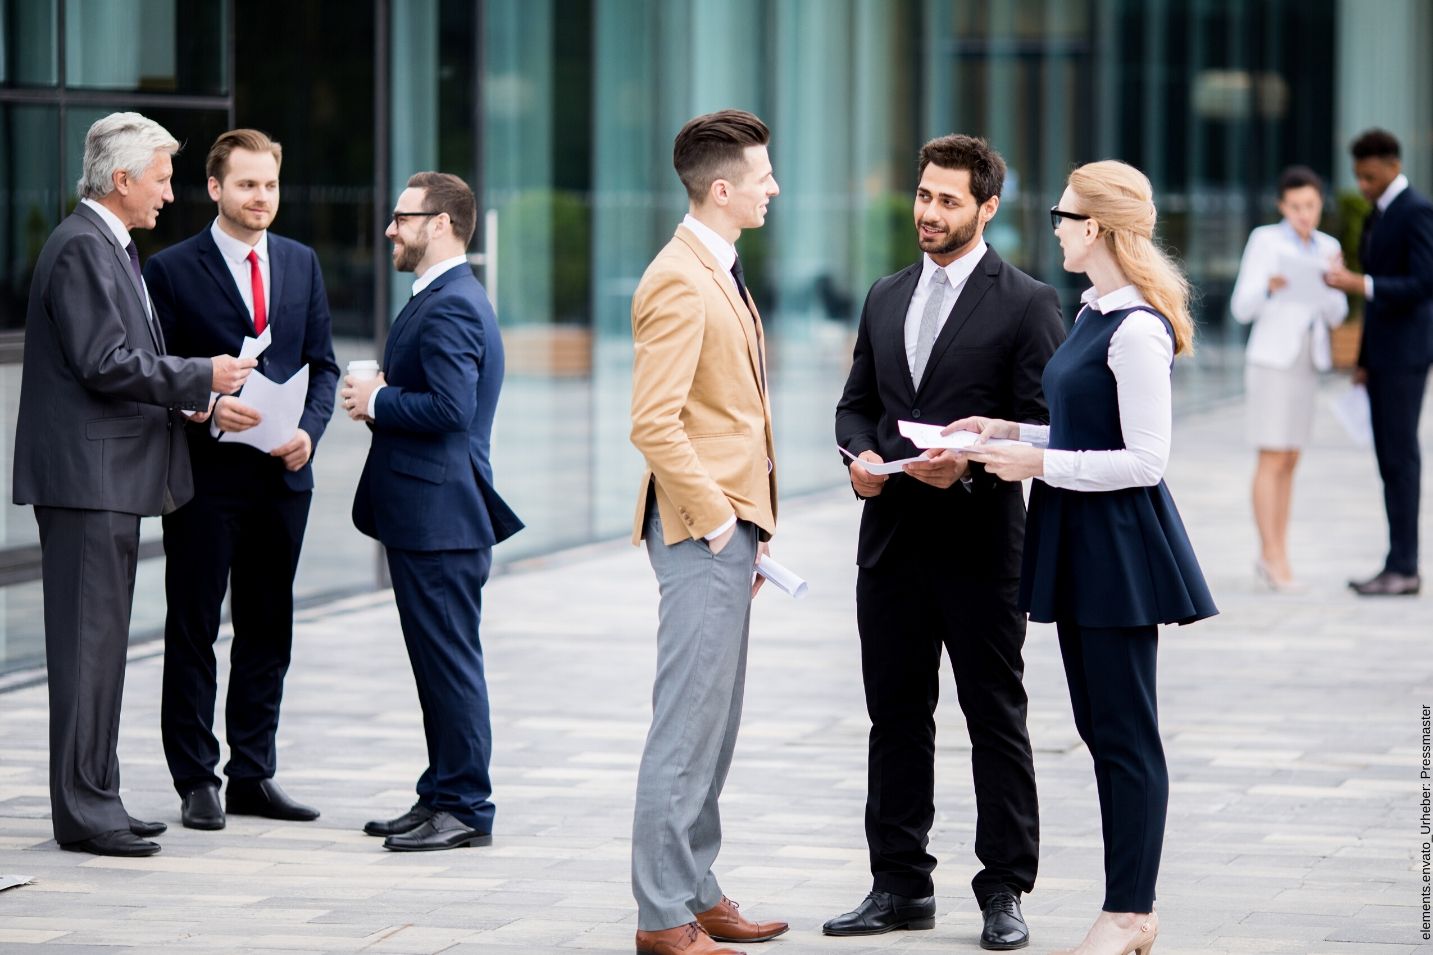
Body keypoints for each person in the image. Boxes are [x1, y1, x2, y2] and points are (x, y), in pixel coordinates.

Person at [948, 160, 1217, 955]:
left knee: (1127, 734)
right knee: (1103, 731)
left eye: (1064, 215)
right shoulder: (1093, 312)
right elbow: (1079, 428)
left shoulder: (1135, 327)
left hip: (1119, 551)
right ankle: (1127, 907)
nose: (1055, 226)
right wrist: (1007, 431)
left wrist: (1039, 466)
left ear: (1094, 226)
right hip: (1079, 542)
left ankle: (1131, 911)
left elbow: (1144, 459)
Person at [829, 134, 1064, 951]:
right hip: (889, 538)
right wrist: (856, 456)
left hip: (979, 544)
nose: (928, 212)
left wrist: (964, 468)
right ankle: (897, 885)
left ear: (986, 207)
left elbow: (1045, 427)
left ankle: (1004, 889)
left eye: (947, 200)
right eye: (923, 196)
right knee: (894, 716)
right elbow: (857, 403)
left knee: (993, 715)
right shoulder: (884, 293)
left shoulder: (1028, 302)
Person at [11, 112, 255, 857]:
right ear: (121, 180)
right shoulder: (84, 246)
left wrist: (196, 398)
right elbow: (103, 361)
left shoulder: (106, 245)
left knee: (102, 651)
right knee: (87, 653)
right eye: (161, 177)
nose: (170, 193)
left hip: (105, 480)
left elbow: (113, 364)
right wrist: (198, 373)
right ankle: (85, 810)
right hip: (89, 482)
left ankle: (99, 798)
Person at [144, 129, 339, 830]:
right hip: (205, 477)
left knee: (268, 626)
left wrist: (310, 433)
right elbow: (156, 369)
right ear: (217, 188)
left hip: (281, 479)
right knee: (194, 626)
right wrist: (205, 402)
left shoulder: (300, 261)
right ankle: (196, 777)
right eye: (248, 185)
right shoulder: (168, 270)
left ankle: (252, 773)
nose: (262, 198)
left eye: (271, 185)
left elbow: (324, 364)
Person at [628, 109, 787, 955]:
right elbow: (654, 423)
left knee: (712, 723)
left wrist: (751, 527)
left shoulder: (716, 266)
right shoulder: (679, 278)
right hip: (700, 531)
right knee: (684, 725)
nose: (773, 188)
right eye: (762, 177)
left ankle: (696, 886)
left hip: (729, 530)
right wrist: (724, 520)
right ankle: (662, 915)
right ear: (720, 189)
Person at [341, 171, 523, 852]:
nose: (391, 228)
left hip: (440, 515)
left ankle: (466, 806)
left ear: (440, 223)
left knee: (449, 663)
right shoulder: (440, 296)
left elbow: (450, 409)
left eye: (401, 217)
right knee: (436, 662)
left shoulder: (449, 303)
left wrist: (378, 399)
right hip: (428, 511)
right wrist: (384, 393)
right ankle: (441, 792)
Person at [1325, 128, 1433, 596]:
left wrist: (1359, 283)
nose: (1363, 185)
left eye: (1369, 176)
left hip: (1408, 354)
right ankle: (1397, 563)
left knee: (1401, 458)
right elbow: (1379, 305)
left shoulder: (1416, 211)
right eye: (1359, 178)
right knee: (1389, 459)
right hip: (1384, 355)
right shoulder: (1378, 213)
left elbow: (1423, 284)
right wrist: (1364, 359)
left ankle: (1405, 567)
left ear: (1393, 165)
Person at [1229, 166, 1348, 590]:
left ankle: (1279, 548)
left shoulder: (1328, 247)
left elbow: (1338, 314)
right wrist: (1272, 288)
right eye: (1295, 206)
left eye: (1311, 206)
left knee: (1292, 459)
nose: (1304, 214)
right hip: (1271, 362)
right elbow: (1241, 308)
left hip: (1306, 362)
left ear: (1319, 205)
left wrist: (1334, 282)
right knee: (1271, 456)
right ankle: (1270, 553)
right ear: (1283, 206)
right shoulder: (1266, 241)